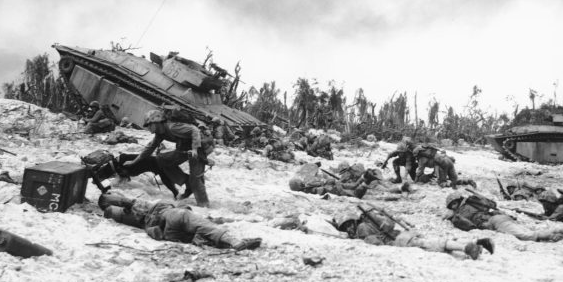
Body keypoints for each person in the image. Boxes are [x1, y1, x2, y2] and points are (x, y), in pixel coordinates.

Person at [99, 192, 261, 251]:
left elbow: (111, 210)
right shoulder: (142, 205)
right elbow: (124, 202)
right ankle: (233, 241)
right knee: (203, 225)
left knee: (196, 236)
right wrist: (112, 198)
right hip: (172, 216)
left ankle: (224, 245)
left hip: (166, 233)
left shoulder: (129, 218)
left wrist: (108, 207)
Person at [122, 109, 211, 207]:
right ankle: (187, 182)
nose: (149, 128)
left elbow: (195, 130)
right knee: (161, 160)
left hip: (200, 146)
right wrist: (134, 161)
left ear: (156, 122)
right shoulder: (160, 134)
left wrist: (194, 149)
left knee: (196, 178)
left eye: (149, 125)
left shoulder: (172, 127)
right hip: (184, 147)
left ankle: (204, 205)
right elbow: (149, 149)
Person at [333, 208, 493, 260]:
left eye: (348, 225)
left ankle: (467, 247)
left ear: (353, 222)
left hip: (399, 241)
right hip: (402, 234)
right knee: (434, 243)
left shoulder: (362, 228)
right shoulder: (366, 223)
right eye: (344, 227)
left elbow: (375, 244)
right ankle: (473, 243)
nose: (348, 229)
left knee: (431, 244)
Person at [445, 191, 563, 242]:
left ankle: (553, 235)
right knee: (527, 231)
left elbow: (469, 225)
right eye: (452, 206)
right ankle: (558, 231)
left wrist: (452, 217)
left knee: (524, 235)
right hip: (500, 217)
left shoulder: (463, 210)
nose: (454, 207)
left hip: (495, 221)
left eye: (454, 204)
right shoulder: (472, 202)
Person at [289, 163, 367, 198]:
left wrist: (326, 182)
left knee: (352, 186)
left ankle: (361, 182)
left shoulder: (307, 187)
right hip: (334, 189)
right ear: (298, 186)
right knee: (353, 190)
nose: (302, 182)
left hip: (333, 187)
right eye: (300, 182)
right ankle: (361, 184)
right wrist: (326, 185)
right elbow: (321, 190)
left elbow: (319, 184)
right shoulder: (307, 190)